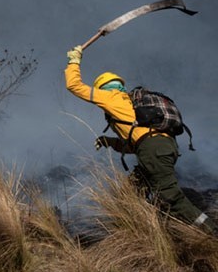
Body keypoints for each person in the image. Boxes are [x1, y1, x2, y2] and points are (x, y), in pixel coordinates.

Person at [65, 44, 216, 235]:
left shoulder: (111, 97)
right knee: (132, 191)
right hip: (162, 147)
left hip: (154, 149)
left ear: (102, 88)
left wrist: (74, 60)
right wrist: (109, 142)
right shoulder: (131, 105)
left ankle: (211, 233)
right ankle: (144, 231)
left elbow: (74, 86)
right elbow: (137, 145)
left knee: (172, 197)